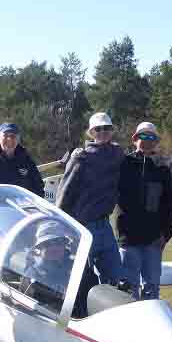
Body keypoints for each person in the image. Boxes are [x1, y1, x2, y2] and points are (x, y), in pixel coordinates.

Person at [56, 112, 126, 317]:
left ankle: (113, 319)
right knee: (82, 280)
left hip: (104, 226)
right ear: (91, 132)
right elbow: (64, 193)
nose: (103, 133)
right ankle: (81, 318)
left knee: (115, 277)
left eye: (107, 128)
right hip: (82, 228)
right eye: (98, 129)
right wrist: (63, 227)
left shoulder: (116, 153)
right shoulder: (81, 157)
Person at [116, 122, 172, 300]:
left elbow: (169, 204)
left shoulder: (162, 168)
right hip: (128, 238)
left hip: (153, 240)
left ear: (156, 141)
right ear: (135, 140)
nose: (147, 141)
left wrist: (166, 234)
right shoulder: (123, 164)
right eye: (143, 136)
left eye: (151, 137)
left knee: (151, 286)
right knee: (129, 288)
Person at [20, 220, 75, 312]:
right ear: (40, 247)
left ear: (64, 244)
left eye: (58, 242)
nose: (53, 247)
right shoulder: (32, 274)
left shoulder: (77, 268)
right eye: (47, 243)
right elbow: (24, 307)